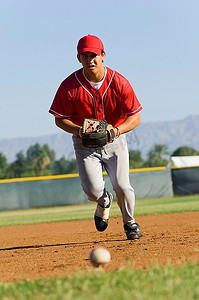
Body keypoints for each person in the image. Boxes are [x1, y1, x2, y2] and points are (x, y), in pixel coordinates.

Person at [49, 34, 143, 240]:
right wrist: (81, 131)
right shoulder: (69, 87)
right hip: (84, 143)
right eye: (85, 56)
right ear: (78, 58)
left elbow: (135, 117)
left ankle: (130, 223)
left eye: (94, 55)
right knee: (92, 191)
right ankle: (103, 201)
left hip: (114, 139)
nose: (90, 60)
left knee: (122, 185)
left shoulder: (119, 83)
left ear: (103, 55)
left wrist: (115, 131)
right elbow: (59, 119)